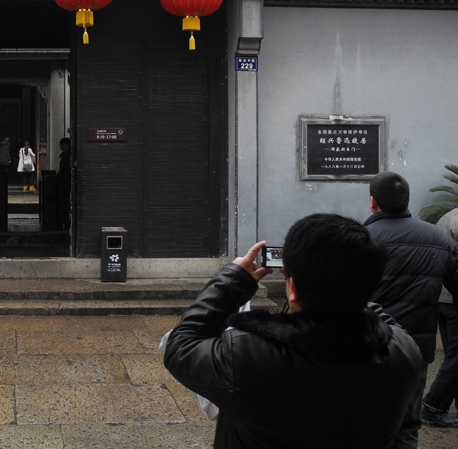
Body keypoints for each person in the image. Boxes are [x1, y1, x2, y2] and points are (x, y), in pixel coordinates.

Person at [164, 213, 422, 449]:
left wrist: (235, 279)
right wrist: (348, 286)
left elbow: (182, 344)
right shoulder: (404, 351)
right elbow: (407, 429)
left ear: (293, 288)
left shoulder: (247, 356)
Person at [364, 171, 458, 441]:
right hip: (416, 348)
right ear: (406, 200)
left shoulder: (360, 238)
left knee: (365, 419)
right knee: (408, 424)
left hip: (368, 344)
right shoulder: (440, 241)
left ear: (373, 202)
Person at [423, 208, 458, 425]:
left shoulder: (449, 216)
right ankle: (433, 406)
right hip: (455, 297)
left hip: (442, 296)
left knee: (452, 355)